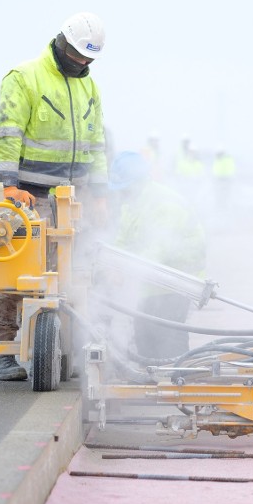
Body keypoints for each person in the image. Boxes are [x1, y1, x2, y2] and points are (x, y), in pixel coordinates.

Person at [0, 12, 107, 381]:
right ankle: (3, 354)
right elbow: (8, 132)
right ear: (62, 44)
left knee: (73, 274)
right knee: (22, 274)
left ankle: (64, 350)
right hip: (30, 193)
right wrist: (9, 183)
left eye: (89, 59)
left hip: (72, 195)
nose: (83, 64)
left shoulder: (88, 86)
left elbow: (97, 143)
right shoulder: (24, 77)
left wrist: (99, 193)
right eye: (78, 57)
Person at [107, 151, 205, 358]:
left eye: (125, 189)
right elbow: (122, 242)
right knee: (144, 334)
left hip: (176, 280)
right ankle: (151, 377)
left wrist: (126, 270)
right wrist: (112, 266)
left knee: (168, 334)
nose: (122, 194)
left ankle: (176, 377)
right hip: (150, 281)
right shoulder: (132, 205)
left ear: (139, 182)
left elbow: (158, 249)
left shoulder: (165, 204)